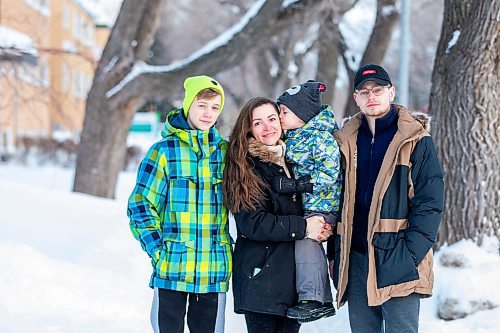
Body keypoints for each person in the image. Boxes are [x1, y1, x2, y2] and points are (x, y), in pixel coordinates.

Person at [327, 64, 444, 333]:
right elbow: (337, 201)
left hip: (398, 255)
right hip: (355, 258)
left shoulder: (415, 140)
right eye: (364, 91)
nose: (371, 96)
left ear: (391, 92)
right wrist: (335, 253)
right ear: (355, 98)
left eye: (377, 89)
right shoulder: (344, 142)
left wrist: (411, 254)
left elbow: (430, 203)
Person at [127, 75, 232, 333]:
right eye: (202, 105)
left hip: (213, 269)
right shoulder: (163, 151)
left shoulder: (227, 153)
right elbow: (140, 204)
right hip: (172, 266)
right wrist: (158, 249)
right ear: (188, 106)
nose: (208, 114)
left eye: (215, 107)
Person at [222, 97, 332, 333]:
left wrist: (321, 226)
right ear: (248, 128)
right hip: (260, 278)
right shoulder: (244, 166)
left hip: (290, 280)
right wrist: (304, 227)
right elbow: (253, 223)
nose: (268, 127)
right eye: (258, 123)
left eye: (272, 119)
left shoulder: (293, 161)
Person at [274, 80, 342, 322]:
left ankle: (315, 300)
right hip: (308, 204)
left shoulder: (320, 138)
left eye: (284, 112)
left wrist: (300, 185)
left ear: (302, 114)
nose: (280, 116)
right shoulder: (294, 136)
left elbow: (329, 172)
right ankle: (313, 297)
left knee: (306, 240)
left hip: (322, 205)